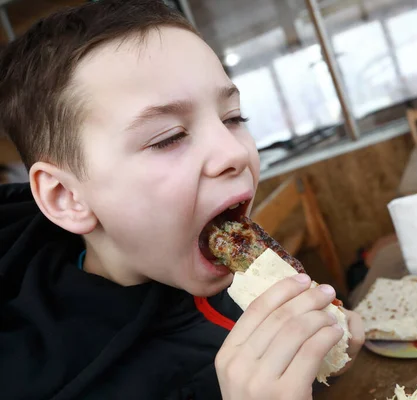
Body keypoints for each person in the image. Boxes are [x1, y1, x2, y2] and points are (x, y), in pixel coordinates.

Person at [0, 1, 364, 399]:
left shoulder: (193, 255)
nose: (234, 152)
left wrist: (326, 352)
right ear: (67, 197)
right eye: (168, 137)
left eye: (233, 118)